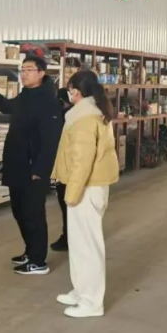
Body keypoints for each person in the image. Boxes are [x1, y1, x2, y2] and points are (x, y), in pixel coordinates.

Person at [0, 54, 63, 275]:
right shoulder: (26, 96)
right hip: (18, 164)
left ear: (41, 73)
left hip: (34, 169)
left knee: (34, 214)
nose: (24, 74)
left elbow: (51, 141)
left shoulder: (48, 102)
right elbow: (5, 106)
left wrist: (40, 170)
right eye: (22, 70)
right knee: (20, 211)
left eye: (29, 70)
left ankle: (38, 261)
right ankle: (30, 251)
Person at [51, 70, 119, 318]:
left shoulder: (84, 118)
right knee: (79, 244)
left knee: (88, 246)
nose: (67, 93)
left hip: (86, 188)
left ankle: (91, 302)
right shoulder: (92, 112)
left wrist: (72, 193)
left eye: (69, 88)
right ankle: (81, 291)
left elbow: (82, 160)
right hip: (89, 186)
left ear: (76, 91)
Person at [50, 86, 74, 252]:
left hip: (67, 169)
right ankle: (69, 237)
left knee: (67, 205)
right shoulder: (72, 115)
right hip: (65, 168)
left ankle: (68, 238)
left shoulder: (68, 117)